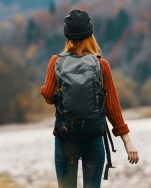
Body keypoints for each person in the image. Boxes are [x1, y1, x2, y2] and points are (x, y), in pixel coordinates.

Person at [40, 9, 139, 188]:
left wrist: (48, 90)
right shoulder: (101, 65)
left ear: (67, 36)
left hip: (66, 139)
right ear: (90, 34)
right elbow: (112, 106)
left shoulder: (56, 62)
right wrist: (127, 142)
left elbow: (48, 95)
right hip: (93, 139)